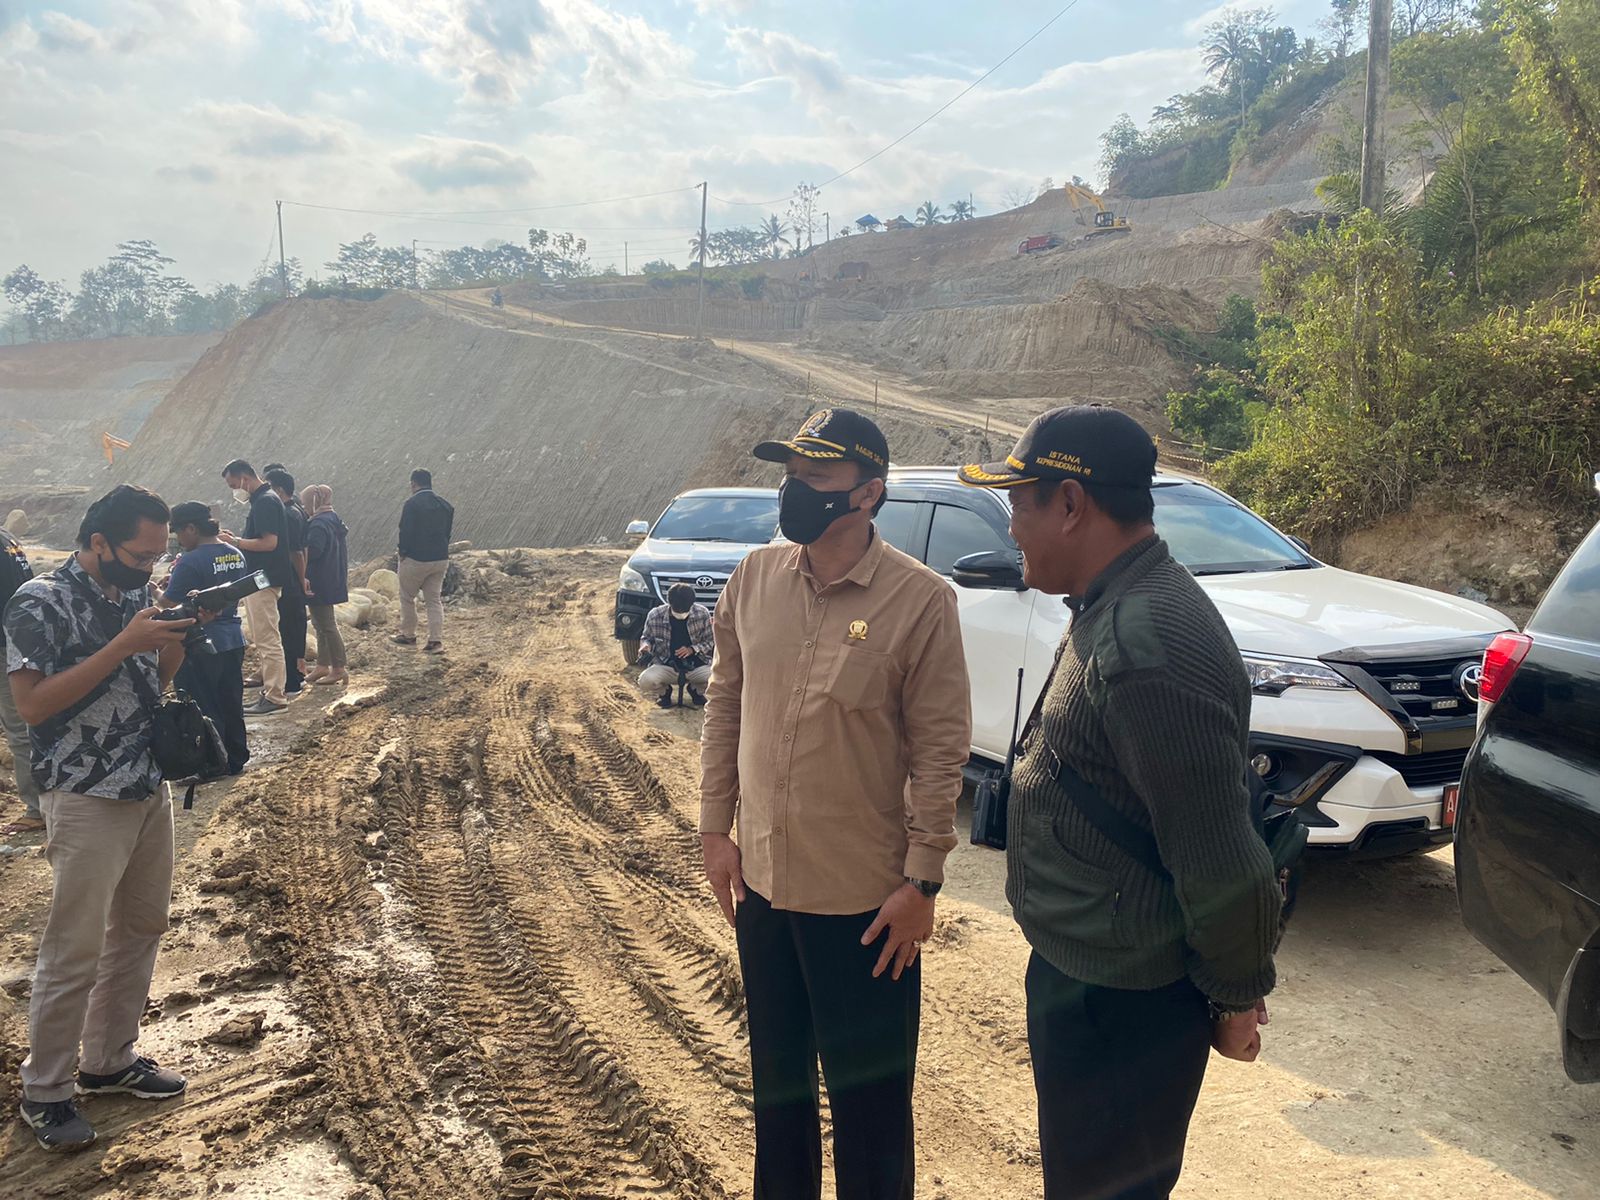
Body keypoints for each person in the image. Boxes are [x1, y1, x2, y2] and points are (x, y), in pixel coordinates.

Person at [957, 406, 1281, 1200]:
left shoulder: (1147, 644)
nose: (1012, 529)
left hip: (1125, 1003)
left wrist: (1238, 995)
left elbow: (1219, 853)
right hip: (1093, 975)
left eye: (1020, 504)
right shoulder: (1114, 603)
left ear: (1071, 504)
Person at [700, 408, 972, 1200]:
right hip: (763, 885)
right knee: (778, 1090)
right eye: (791, 476)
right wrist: (716, 829)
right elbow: (726, 703)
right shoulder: (754, 578)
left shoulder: (921, 602)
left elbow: (939, 751)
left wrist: (922, 882)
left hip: (864, 906)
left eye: (817, 479)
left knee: (871, 1110)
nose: (796, 492)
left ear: (868, 494)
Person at [6, 485, 198, 1151]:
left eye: (157, 557)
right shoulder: (39, 601)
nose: (149, 567)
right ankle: (46, 1090)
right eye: (140, 555)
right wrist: (123, 644)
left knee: (142, 925)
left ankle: (109, 1060)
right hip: (84, 793)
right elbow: (33, 708)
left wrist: (173, 637)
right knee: (74, 944)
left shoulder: (134, 598)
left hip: (146, 783)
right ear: (97, 543)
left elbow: (157, 679)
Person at [162, 502, 250, 777]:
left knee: (201, 703)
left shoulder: (190, 560)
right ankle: (236, 757)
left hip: (199, 641)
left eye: (178, 532)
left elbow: (169, 602)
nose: (178, 539)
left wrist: (155, 591)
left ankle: (212, 762)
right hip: (233, 638)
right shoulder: (235, 553)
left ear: (191, 528)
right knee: (231, 700)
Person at [218, 460, 291, 715]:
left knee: (267, 639)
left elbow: (269, 543)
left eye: (233, 484)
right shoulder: (264, 500)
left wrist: (236, 541)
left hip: (264, 579)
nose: (234, 490)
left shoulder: (266, 502)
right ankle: (271, 691)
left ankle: (275, 696)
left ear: (244, 479)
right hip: (261, 579)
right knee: (265, 637)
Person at [0, 527, 42, 835]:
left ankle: (38, 807)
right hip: (21, 639)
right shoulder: (6, 538)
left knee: (20, 727)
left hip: (6, 646)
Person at [395, 468, 454, 655]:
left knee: (407, 597)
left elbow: (406, 530)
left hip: (416, 558)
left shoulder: (412, 504)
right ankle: (435, 641)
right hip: (440, 558)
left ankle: (408, 635)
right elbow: (447, 532)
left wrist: (402, 552)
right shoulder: (445, 505)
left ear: (413, 484)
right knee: (434, 600)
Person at [264, 469, 309, 696]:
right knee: (293, 628)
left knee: (288, 630)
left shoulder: (288, 515)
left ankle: (291, 681)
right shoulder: (296, 511)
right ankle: (294, 677)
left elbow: (296, 552)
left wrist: (301, 579)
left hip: (289, 581)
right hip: (293, 580)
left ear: (279, 489)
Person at [300, 484, 349, 686]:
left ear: (314, 501)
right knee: (320, 624)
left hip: (319, 580)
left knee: (327, 625)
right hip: (332, 578)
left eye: (305, 503)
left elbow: (313, 552)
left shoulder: (318, 524)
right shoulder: (333, 519)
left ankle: (338, 668)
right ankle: (322, 665)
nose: (304, 507)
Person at [637, 582, 713, 708]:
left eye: (686, 610)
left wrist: (692, 649)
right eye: (678, 610)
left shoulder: (702, 613)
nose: (682, 613)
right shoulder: (655, 615)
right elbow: (646, 638)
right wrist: (645, 646)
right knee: (645, 681)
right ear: (669, 603)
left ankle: (696, 690)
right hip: (666, 665)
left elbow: (710, 641)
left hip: (697, 665)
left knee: (720, 678)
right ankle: (664, 693)